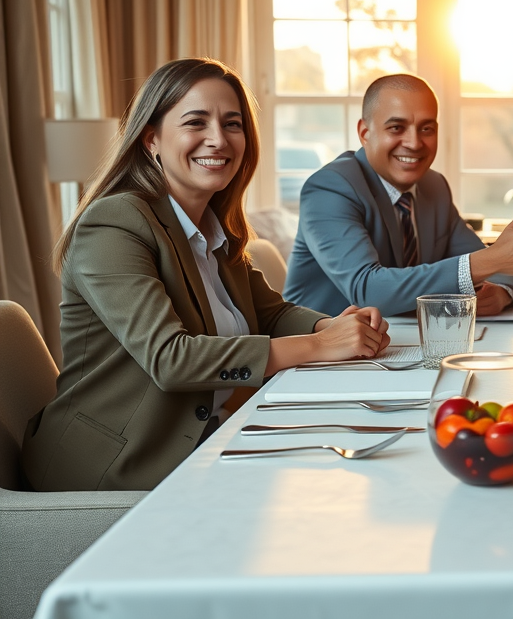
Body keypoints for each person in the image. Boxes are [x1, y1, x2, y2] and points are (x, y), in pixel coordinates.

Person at [22, 58, 390, 492]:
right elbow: (171, 359)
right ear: (151, 139)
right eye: (196, 122)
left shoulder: (212, 227)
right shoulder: (115, 223)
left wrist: (335, 326)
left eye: (232, 124)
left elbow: (271, 313)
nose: (218, 139)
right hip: (112, 470)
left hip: (207, 440)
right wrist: (317, 345)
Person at [285, 74, 513, 317]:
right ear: (365, 133)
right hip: (320, 360)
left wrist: (500, 291)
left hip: (400, 347)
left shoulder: (434, 187)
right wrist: (491, 261)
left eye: (426, 129)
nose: (415, 143)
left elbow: (493, 265)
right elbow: (368, 290)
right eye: (396, 128)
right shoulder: (330, 188)